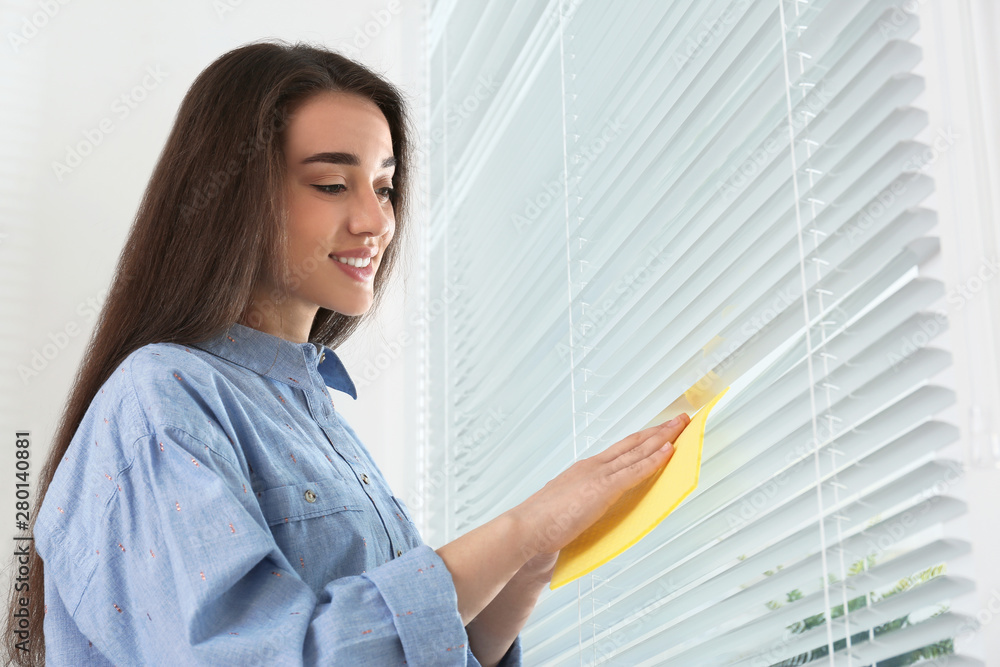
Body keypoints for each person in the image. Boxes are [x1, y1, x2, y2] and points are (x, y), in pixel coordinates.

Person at [1, 39, 689, 666]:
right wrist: (521, 529)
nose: (376, 220)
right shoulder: (160, 399)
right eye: (333, 184)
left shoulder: (318, 419)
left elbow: (408, 651)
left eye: (385, 187)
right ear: (232, 198)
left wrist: (533, 559)